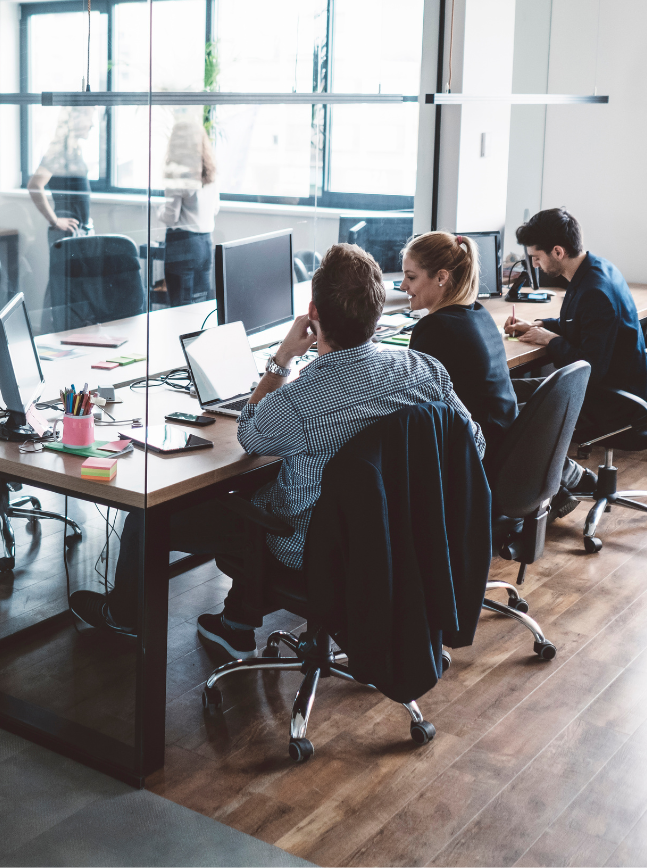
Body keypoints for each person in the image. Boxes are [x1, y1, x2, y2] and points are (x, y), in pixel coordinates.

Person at [68, 243, 485, 661]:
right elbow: (475, 446)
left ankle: (124, 615)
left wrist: (282, 358)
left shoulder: (300, 401)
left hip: (311, 546)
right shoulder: (425, 370)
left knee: (147, 517)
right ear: (377, 316)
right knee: (277, 483)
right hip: (402, 537)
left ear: (313, 314)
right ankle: (235, 625)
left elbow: (250, 434)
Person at [504, 207, 647, 516]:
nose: (535, 264)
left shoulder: (595, 290)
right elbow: (581, 322)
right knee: (506, 390)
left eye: (537, 257)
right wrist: (542, 326)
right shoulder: (594, 269)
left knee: (513, 411)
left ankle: (555, 487)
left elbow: (591, 369)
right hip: (610, 386)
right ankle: (559, 484)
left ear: (558, 251)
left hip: (611, 400)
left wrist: (550, 341)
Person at [401, 232, 517, 463]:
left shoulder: (435, 328)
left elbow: (412, 403)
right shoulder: (478, 312)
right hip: (507, 444)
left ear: (441, 277)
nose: (404, 286)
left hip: (477, 455)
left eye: (411, 277)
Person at [27, 108, 93, 329]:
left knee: (68, 288)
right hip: (66, 232)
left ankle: (60, 335)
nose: (92, 123)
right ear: (75, 119)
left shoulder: (75, 151)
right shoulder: (59, 152)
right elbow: (35, 185)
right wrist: (55, 220)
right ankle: (47, 335)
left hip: (79, 230)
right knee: (58, 288)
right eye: (88, 116)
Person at [158, 120, 219, 306]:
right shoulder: (210, 173)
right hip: (206, 243)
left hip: (183, 244)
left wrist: (159, 211)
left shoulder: (179, 173)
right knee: (201, 304)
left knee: (180, 308)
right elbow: (215, 209)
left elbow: (171, 216)